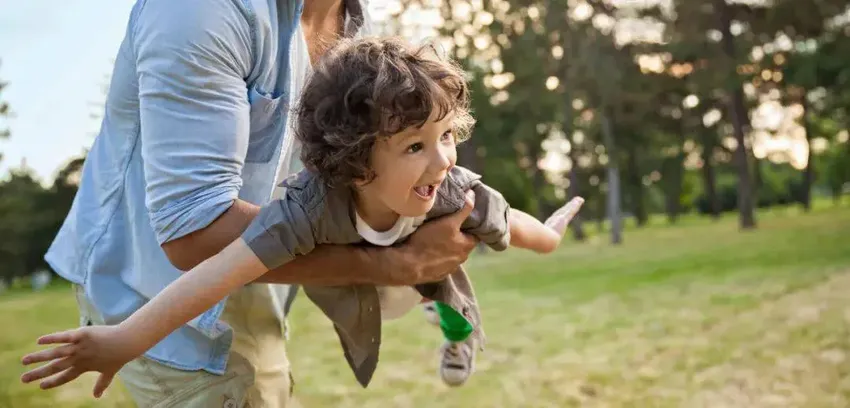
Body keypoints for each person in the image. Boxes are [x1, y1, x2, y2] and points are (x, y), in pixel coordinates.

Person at [22, 37, 584, 398]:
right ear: (358, 161)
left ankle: (453, 331)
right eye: (415, 146)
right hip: (362, 279)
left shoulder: (452, 190)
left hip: (423, 270)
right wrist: (124, 338)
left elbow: (512, 222)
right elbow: (213, 274)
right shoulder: (306, 210)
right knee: (400, 288)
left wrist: (551, 238)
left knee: (447, 293)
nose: (443, 159)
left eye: (447, 136)